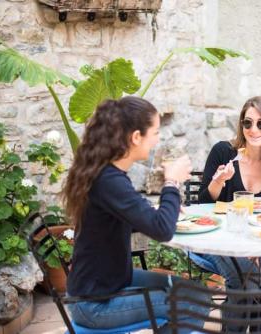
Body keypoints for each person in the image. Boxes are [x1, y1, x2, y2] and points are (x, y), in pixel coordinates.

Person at [62, 96, 207, 333]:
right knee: (192, 303)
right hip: (95, 305)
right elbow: (162, 231)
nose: (158, 140)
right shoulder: (109, 180)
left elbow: (124, 220)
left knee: (194, 292)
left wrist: (154, 213)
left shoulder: (108, 174)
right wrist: (171, 182)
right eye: (156, 133)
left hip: (113, 283)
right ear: (136, 137)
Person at [193, 96, 261, 331]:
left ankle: (258, 327)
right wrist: (218, 181)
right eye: (247, 123)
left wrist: (257, 246)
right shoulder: (223, 152)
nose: (253, 130)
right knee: (246, 284)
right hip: (219, 238)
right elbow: (202, 204)